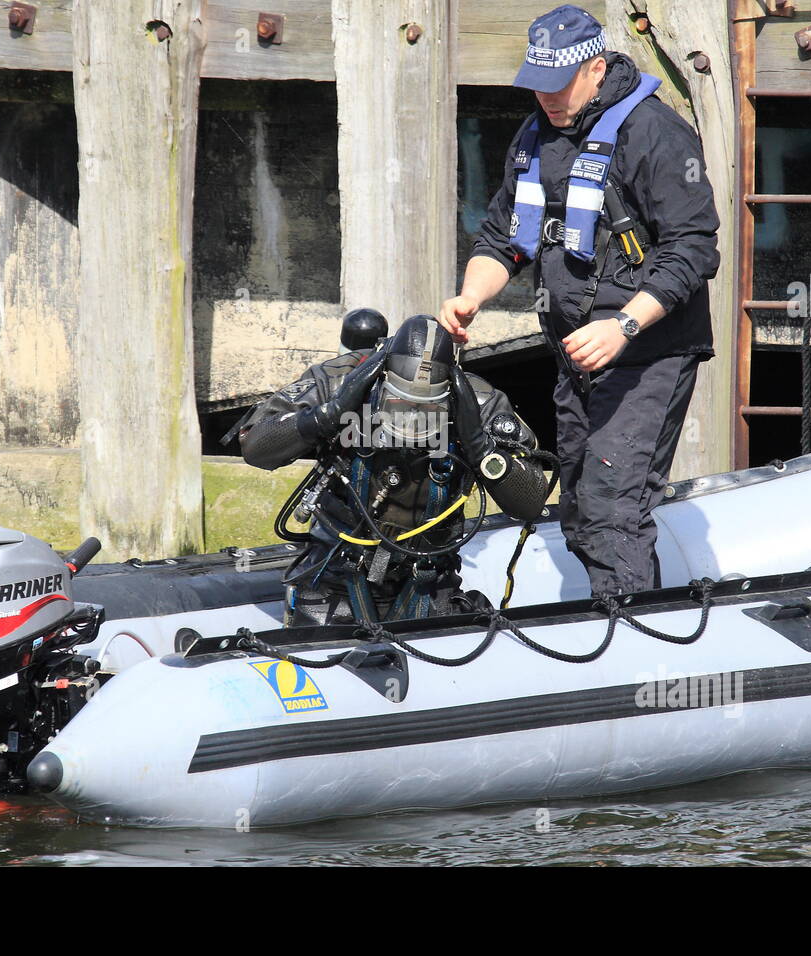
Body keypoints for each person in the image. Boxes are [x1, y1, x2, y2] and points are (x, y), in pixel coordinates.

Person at [437, 4, 720, 600]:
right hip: (575, 354)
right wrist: (470, 298)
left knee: (614, 504)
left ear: (595, 69)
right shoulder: (535, 135)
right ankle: (608, 617)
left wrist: (623, 324)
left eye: (557, 84)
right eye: (536, 85)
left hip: (648, 351)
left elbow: (693, 249)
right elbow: (501, 238)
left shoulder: (656, 133)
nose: (546, 97)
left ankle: (634, 639)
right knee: (582, 509)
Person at [237, 313, 549, 627]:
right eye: (400, 404)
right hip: (335, 574)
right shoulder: (336, 381)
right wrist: (327, 415)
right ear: (384, 379)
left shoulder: (479, 402)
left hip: (428, 580)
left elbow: (530, 502)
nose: (411, 421)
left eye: (426, 410)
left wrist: (480, 447)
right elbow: (255, 448)